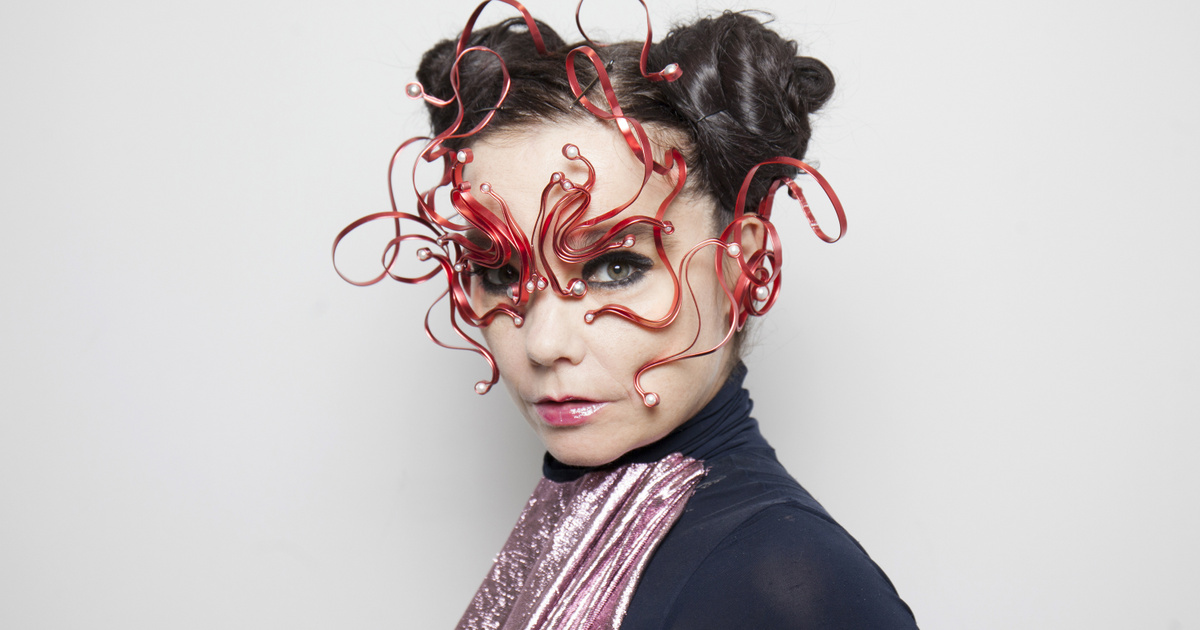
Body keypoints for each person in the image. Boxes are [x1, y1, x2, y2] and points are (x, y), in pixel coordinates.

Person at [335, 1, 918, 627]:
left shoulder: (786, 580)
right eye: (500, 272)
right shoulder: (576, 519)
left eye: (615, 267)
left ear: (741, 263)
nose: (543, 343)